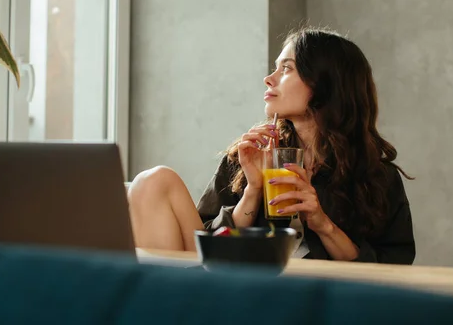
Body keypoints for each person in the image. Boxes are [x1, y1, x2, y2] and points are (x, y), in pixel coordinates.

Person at [127, 27, 415, 264]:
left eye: (286, 69)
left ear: (326, 85)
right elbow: (205, 247)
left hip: (314, 301)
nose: (269, 79)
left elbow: (393, 270)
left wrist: (322, 224)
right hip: (238, 286)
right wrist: (252, 191)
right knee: (154, 181)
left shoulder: (377, 177)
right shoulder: (249, 155)